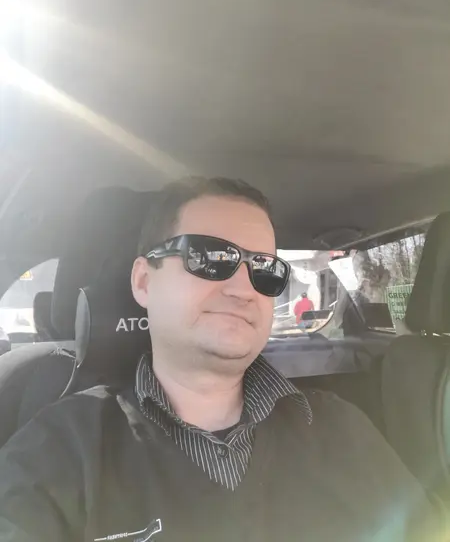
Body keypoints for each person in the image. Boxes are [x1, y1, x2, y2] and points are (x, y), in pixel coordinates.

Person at [0, 177, 446, 541]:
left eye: (265, 269)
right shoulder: (56, 452)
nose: (243, 289)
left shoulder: (341, 429)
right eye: (210, 258)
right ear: (143, 282)